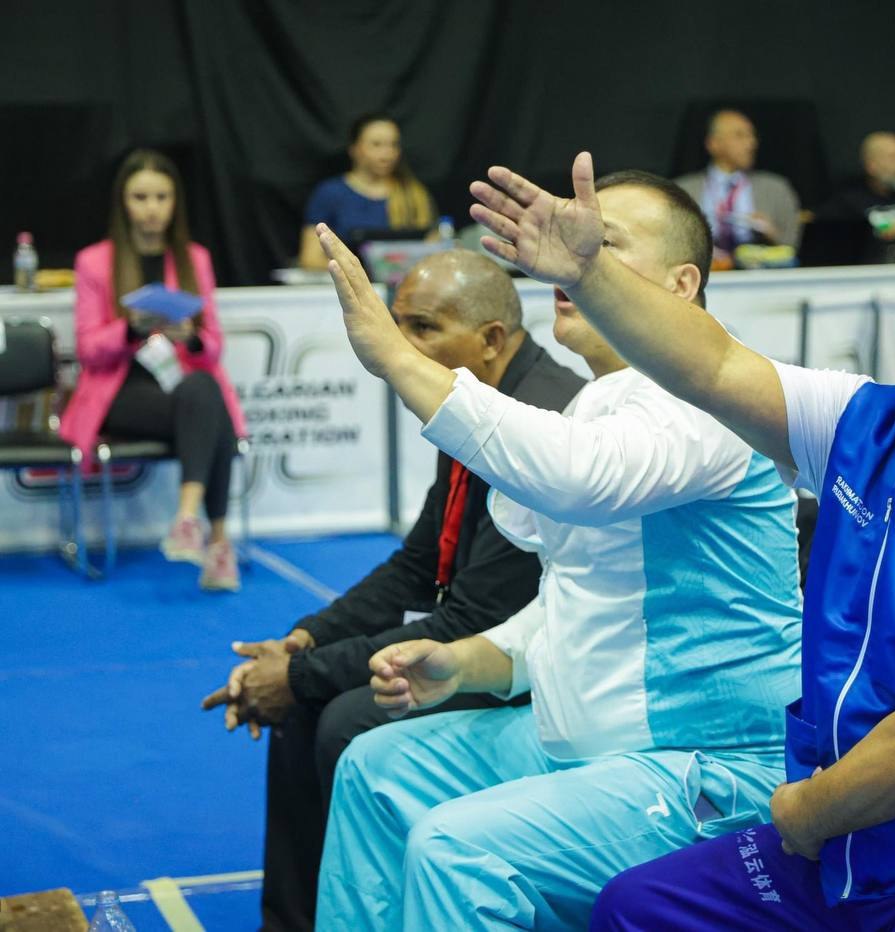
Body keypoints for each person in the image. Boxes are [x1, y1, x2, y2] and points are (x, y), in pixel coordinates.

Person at [470, 153, 895, 930]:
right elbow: (713, 364)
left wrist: (804, 812)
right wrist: (589, 275)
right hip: (848, 845)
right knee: (637, 908)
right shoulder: (862, 423)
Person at [313, 169, 803, 930]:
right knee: (377, 770)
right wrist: (470, 661)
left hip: (701, 764)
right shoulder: (601, 398)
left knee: (459, 851)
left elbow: (574, 477)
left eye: (602, 245)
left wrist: (397, 356)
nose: (570, 262)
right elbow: (575, 593)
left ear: (681, 285)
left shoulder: (714, 396)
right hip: (585, 742)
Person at [199, 251, 583, 932]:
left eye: (422, 327)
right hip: (483, 639)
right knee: (305, 704)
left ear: (491, 338)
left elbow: (472, 620)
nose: (397, 346)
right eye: (397, 323)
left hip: (532, 666)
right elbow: (416, 567)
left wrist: (300, 675)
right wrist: (304, 641)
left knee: (343, 717)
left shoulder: (535, 418)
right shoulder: (470, 399)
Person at [60, 149, 247, 591]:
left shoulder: (194, 258)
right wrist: (130, 328)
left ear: (175, 202)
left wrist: (191, 337)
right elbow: (88, 350)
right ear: (123, 202)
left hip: (180, 388)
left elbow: (213, 346)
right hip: (119, 392)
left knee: (204, 391)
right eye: (140, 197)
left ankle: (188, 519)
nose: (152, 209)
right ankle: (217, 542)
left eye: (162, 197)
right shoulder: (94, 261)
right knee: (211, 410)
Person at [297, 113, 436, 270]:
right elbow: (310, 258)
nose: (387, 154)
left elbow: (433, 250)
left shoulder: (414, 194)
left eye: (393, 145)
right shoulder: (330, 193)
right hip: (352, 280)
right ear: (354, 148)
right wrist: (359, 272)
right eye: (376, 144)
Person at [675, 110, 801, 263]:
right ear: (713, 144)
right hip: (705, 270)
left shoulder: (776, 188)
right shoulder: (682, 190)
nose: (751, 143)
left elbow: (792, 246)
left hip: (761, 271)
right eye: (739, 135)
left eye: (752, 136)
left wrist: (771, 233)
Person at [813, 132, 895, 264]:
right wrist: (883, 233)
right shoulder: (848, 202)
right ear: (871, 166)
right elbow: (827, 240)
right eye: (894, 158)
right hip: (871, 271)